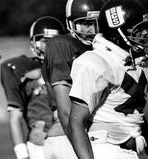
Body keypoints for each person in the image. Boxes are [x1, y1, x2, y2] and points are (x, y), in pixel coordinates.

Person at [67, 0, 148, 158]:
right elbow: (76, 122)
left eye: (144, 28)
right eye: (138, 29)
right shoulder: (95, 63)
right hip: (105, 149)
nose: (145, 33)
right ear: (120, 32)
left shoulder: (143, 65)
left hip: (131, 151)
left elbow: (134, 114)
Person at [41, 0, 105, 158]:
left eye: (97, 23)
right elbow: (66, 112)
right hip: (71, 137)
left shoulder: (103, 46)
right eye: (85, 23)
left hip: (94, 134)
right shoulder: (63, 45)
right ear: (70, 24)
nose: (93, 30)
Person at [0, 16, 65, 159]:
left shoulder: (74, 66)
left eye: (55, 42)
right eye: (45, 41)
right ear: (34, 42)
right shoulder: (19, 68)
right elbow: (15, 117)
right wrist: (22, 154)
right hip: (38, 145)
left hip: (68, 140)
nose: (49, 47)